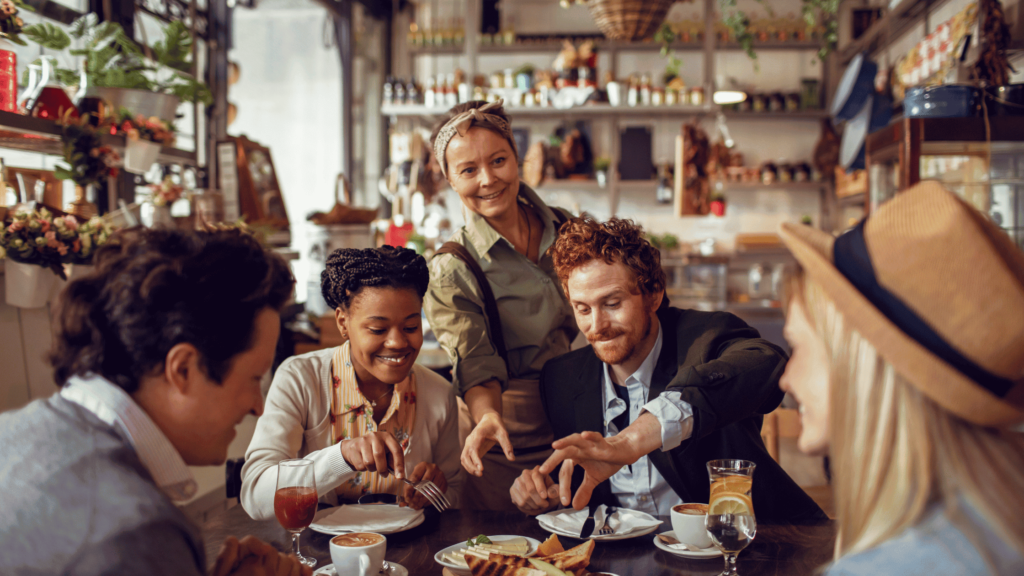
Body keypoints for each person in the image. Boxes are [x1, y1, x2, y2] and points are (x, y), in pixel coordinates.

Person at [0, 227, 310, 576]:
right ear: (183, 369)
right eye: (255, 379)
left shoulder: (12, 433)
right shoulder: (135, 530)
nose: (259, 406)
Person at [776, 181, 1024, 574]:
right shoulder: (998, 510)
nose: (785, 379)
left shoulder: (889, 566)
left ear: (860, 364)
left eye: (798, 345)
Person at [510, 216, 826, 525]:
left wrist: (634, 439)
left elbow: (766, 362)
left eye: (612, 303)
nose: (597, 326)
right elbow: (584, 484)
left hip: (742, 549)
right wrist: (544, 494)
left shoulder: (708, 337)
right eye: (583, 308)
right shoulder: (560, 379)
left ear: (653, 295)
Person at [423, 99, 578, 510]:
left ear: (517, 159)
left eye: (498, 161)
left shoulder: (567, 228)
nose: (488, 179)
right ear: (450, 180)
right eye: (468, 170)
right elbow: (474, 359)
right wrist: (488, 416)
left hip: (577, 427)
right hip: (502, 438)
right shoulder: (453, 266)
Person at [241, 246, 462, 518]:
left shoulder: (438, 394)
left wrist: (434, 491)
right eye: (378, 329)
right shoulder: (299, 380)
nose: (397, 342)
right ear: (343, 323)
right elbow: (255, 497)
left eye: (411, 327)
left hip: (410, 555)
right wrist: (342, 457)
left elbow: (456, 495)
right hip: (315, 557)